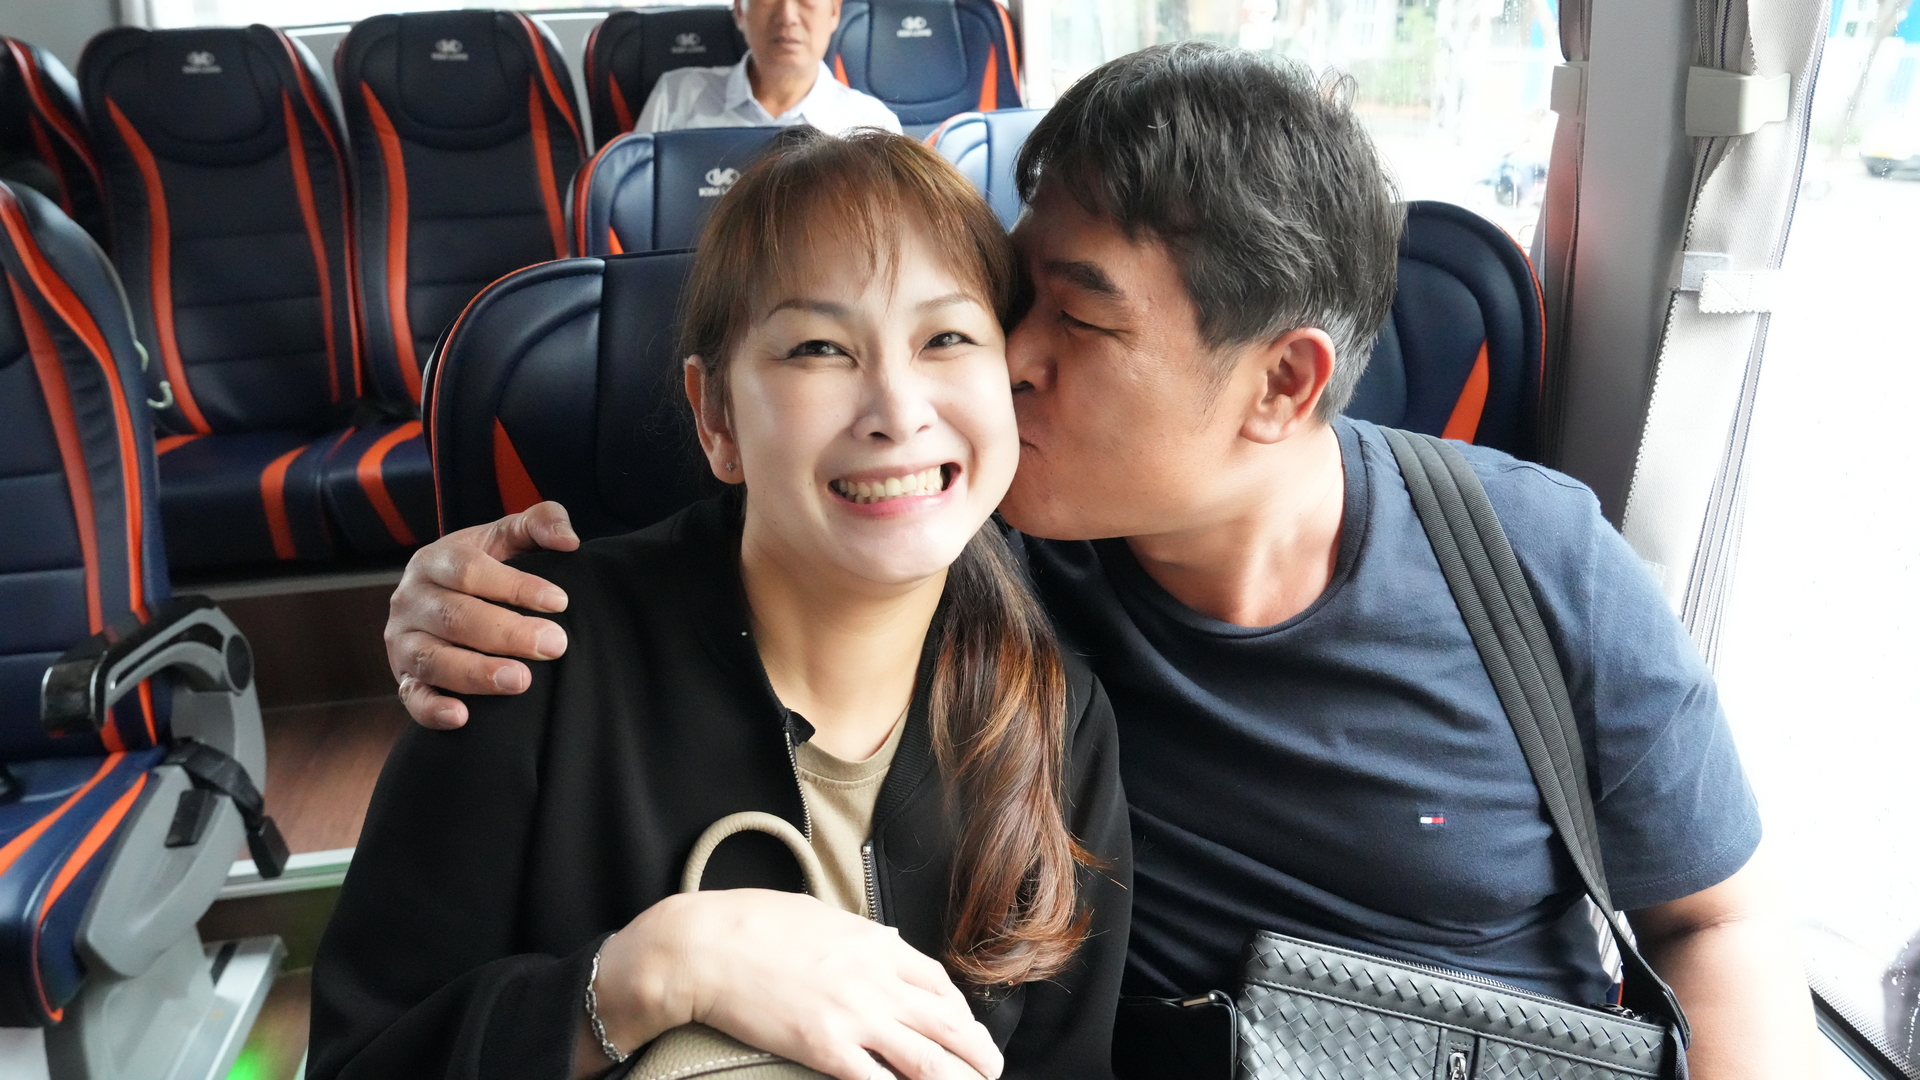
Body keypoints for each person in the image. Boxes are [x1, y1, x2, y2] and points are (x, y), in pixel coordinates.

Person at [383, 44, 1820, 1080]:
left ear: (1282, 385)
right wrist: (447, 591)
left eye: (1073, 319)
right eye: (1008, 299)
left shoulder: (1529, 560)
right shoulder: (991, 576)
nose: (998, 366)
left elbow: (1719, 919)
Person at [310, 130, 1129, 1080]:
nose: (898, 411)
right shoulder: (529, 660)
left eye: (946, 338)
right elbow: (361, 1061)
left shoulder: (1056, 720)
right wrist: (649, 975)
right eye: (818, 348)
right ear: (717, 418)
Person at [635, 0, 902, 136]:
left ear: (834, 12)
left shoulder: (872, 123)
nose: (787, 16)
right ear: (739, 10)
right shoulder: (676, 97)